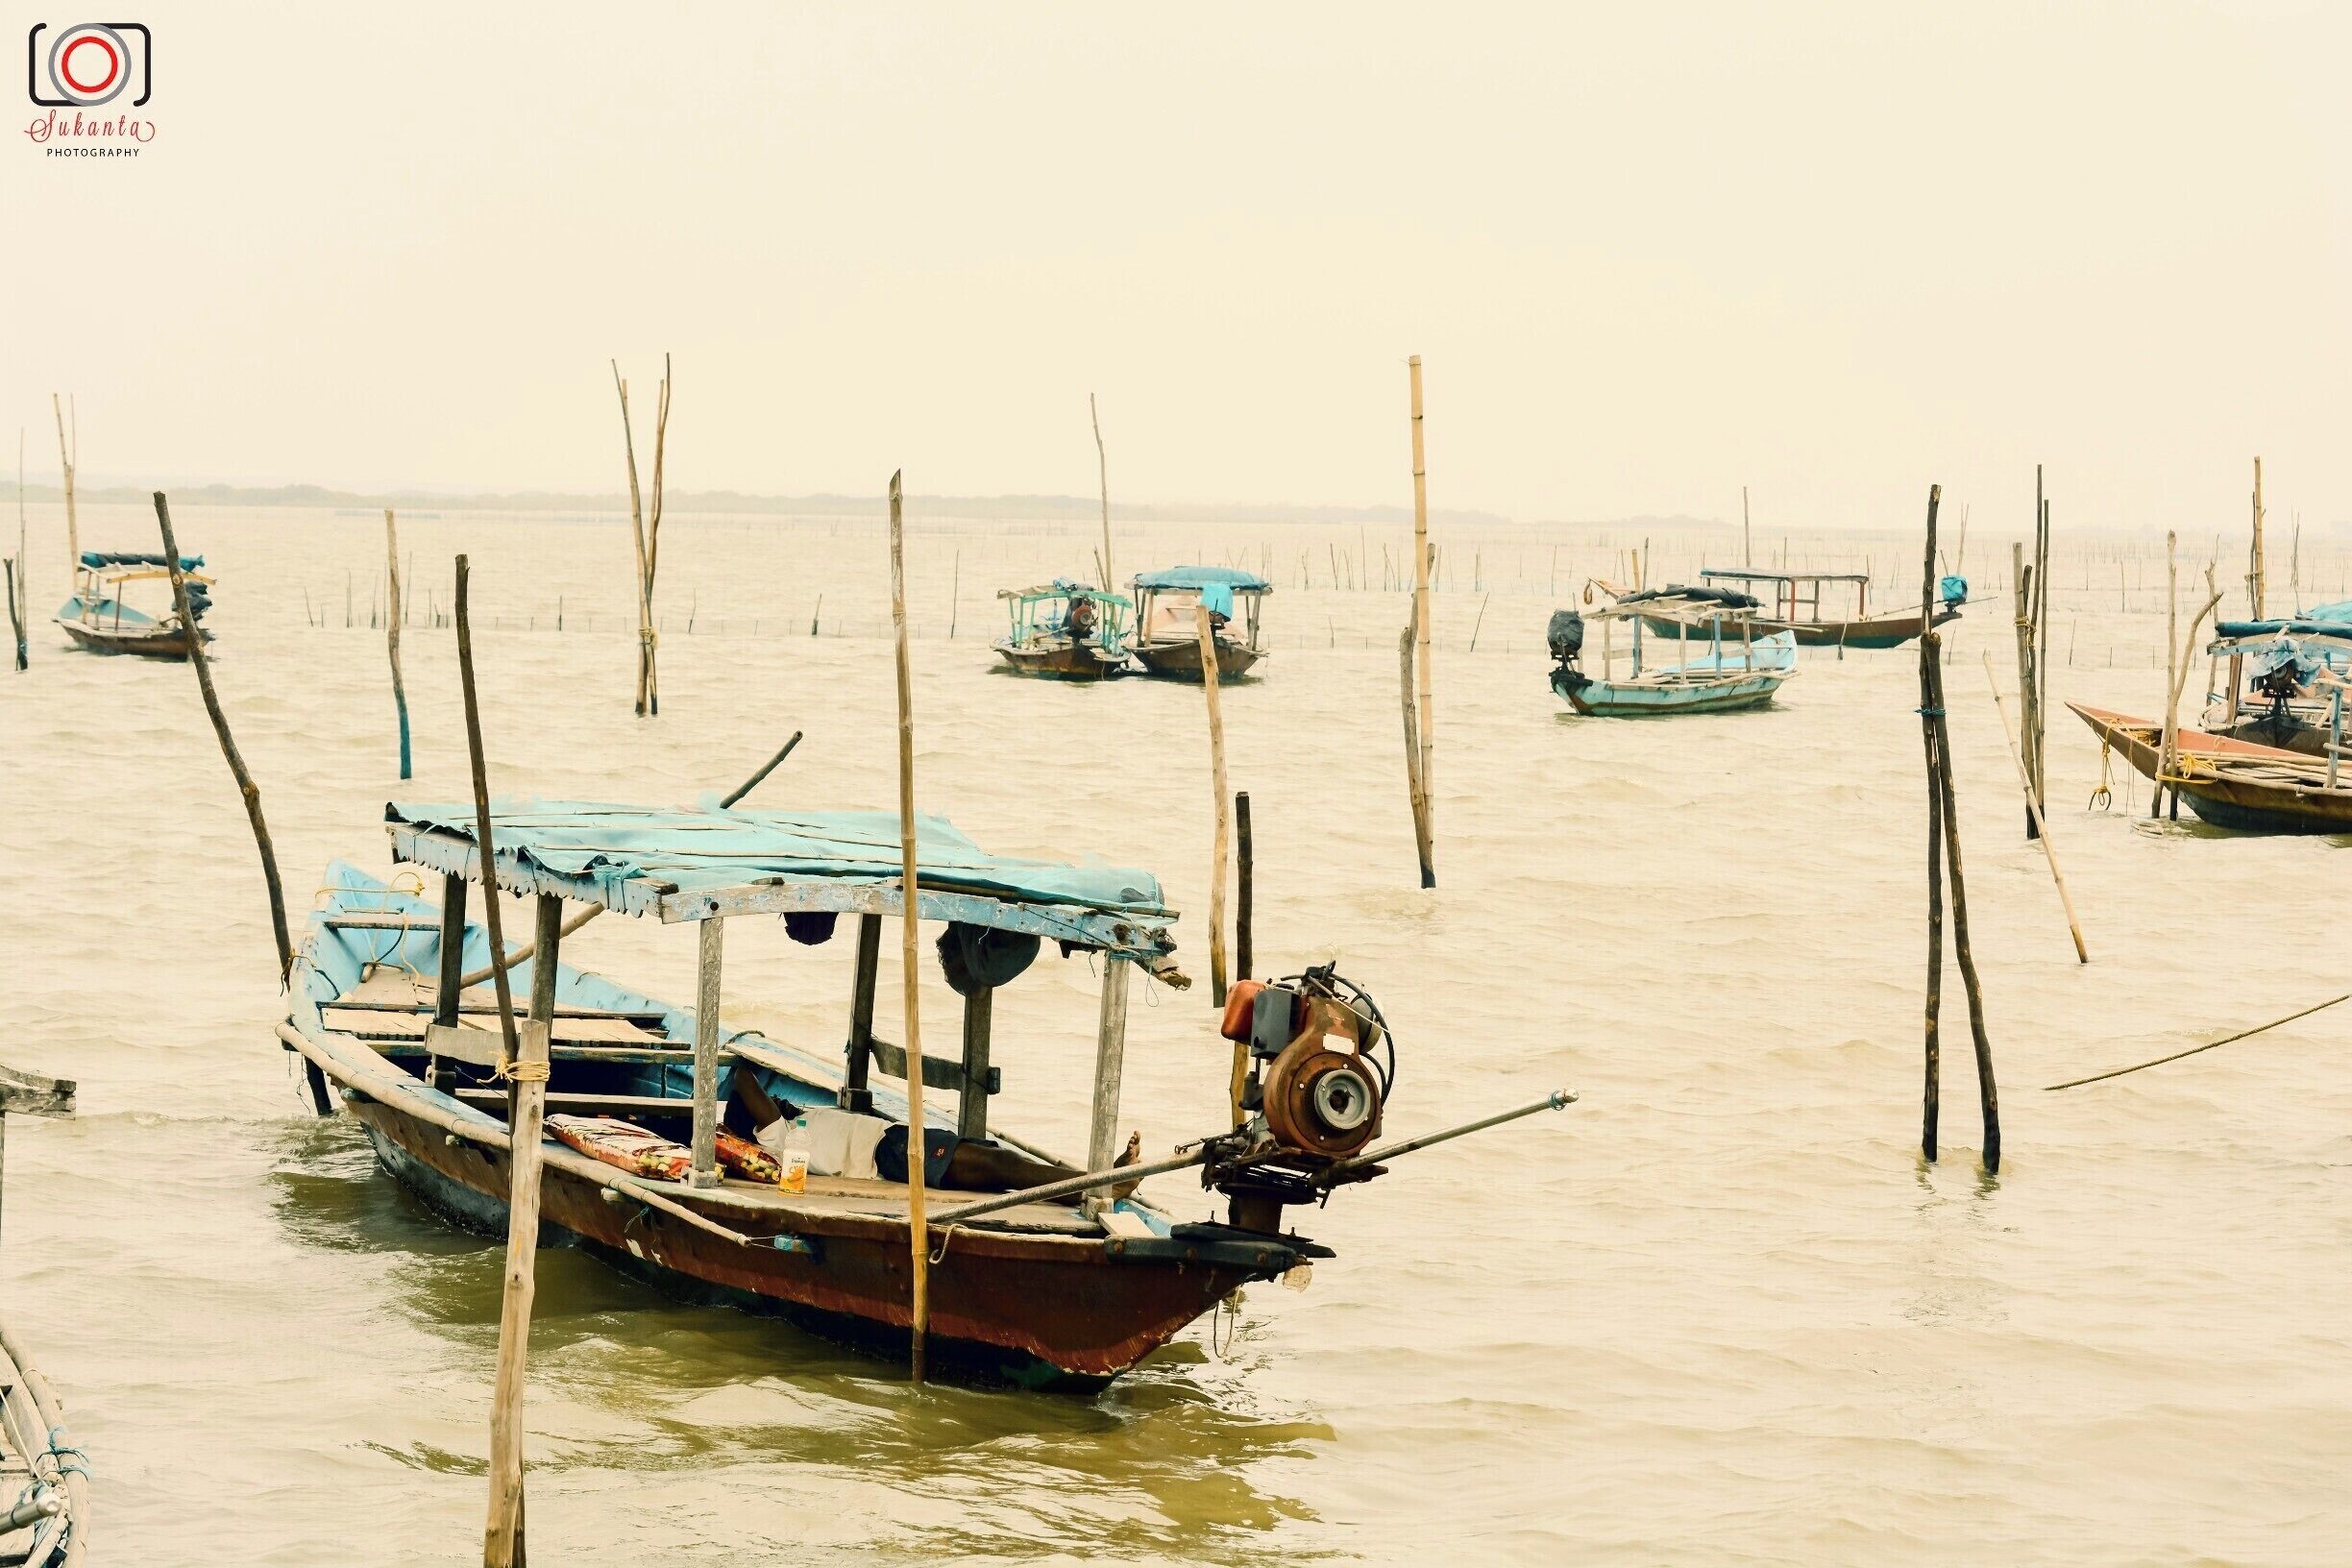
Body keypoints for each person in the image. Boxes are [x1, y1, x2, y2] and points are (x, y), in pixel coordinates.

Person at [725, 1061, 1138, 1200]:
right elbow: (744, 1076)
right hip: (888, 1153)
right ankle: (1101, 1184)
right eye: (770, 1100)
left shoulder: (795, 1124)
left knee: (998, 1168)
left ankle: (1089, 1185)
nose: (777, 1099)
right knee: (998, 1165)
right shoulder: (775, 1137)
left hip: (894, 1142)